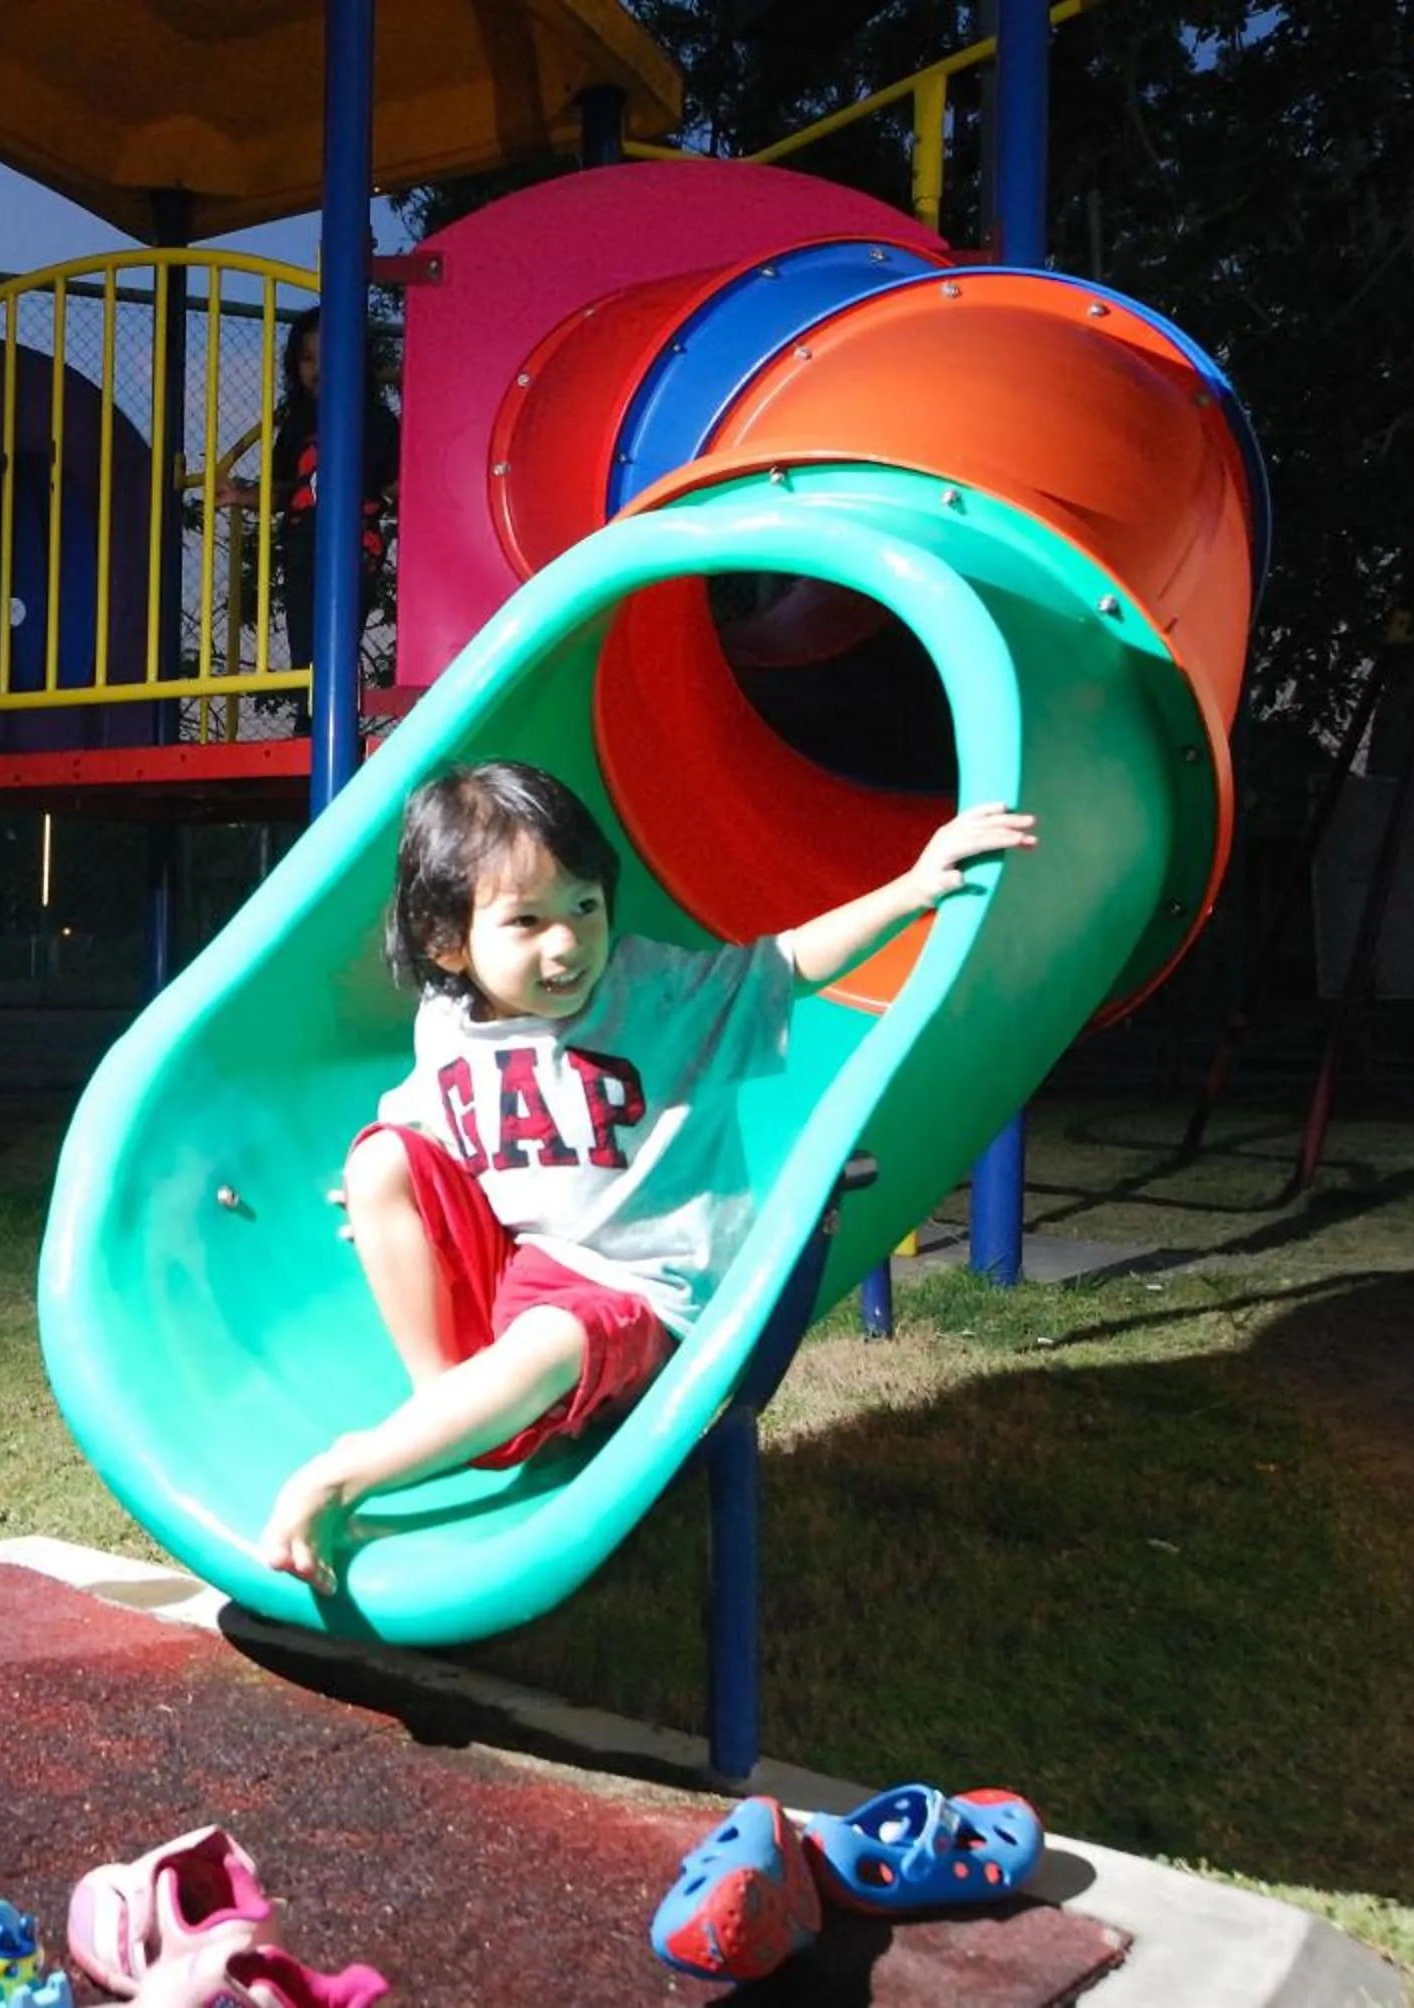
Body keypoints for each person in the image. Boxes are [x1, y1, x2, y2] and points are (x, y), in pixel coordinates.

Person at [256, 761, 1037, 1594]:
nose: (567, 944)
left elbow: (792, 963)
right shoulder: (447, 1025)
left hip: (641, 1292)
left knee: (552, 1339)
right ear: (448, 940)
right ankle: (439, 1407)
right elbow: (426, 1130)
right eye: (525, 921)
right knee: (377, 1157)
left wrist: (914, 887)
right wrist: (393, 1198)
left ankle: (353, 1474)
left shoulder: (651, 994)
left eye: (583, 907)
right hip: (530, 1272)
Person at [218, 305, 402, 706]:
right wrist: (241, 497)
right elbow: (285, 492)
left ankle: (335, 708)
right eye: (306, 359)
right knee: (303, 627)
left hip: (356, 538)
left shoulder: (376, 421)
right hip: (303, 541)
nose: (317, 368)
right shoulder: (298, 423)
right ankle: (311, 709)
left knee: (339, 628)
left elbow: (393, 484)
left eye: (327, 356)